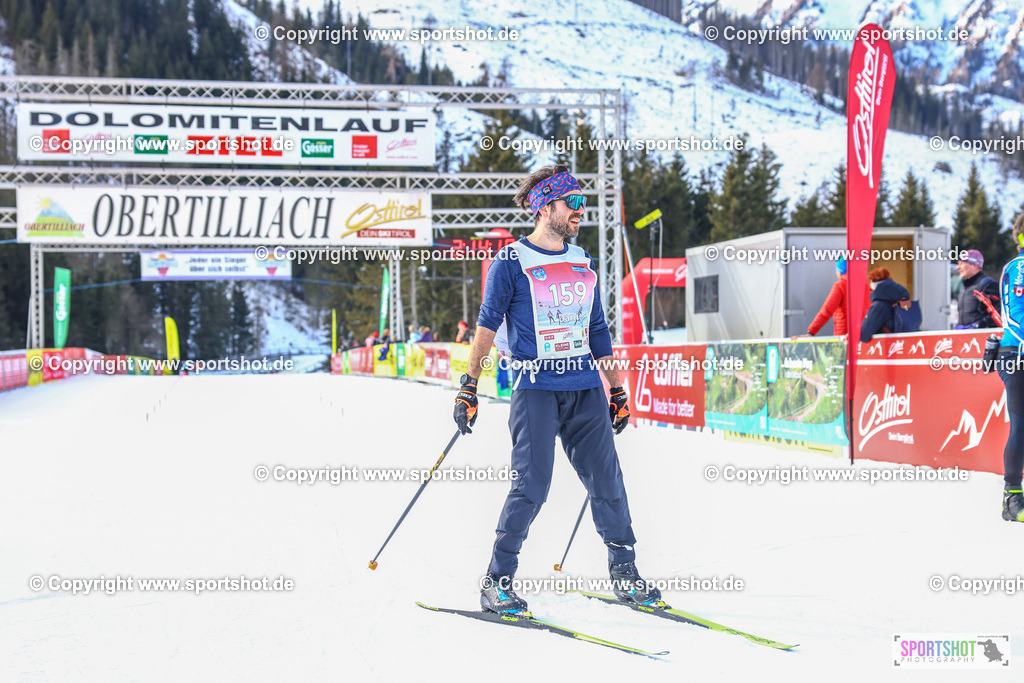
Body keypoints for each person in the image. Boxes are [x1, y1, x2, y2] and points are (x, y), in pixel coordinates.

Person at [452, 164, 658, 615]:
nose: (582, 211)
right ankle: (496, 581)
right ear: (546, 207)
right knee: (533, 485)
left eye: (583, 203)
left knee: (608, 482)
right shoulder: (511, 262)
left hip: (585, 386)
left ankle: (626, 574)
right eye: (574, 203)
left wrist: (616, 391)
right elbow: (486, 325)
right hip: (536, 387)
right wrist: (469, 387)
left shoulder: (583, 260)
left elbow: (597, 328)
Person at [995, 217, 1024, 523]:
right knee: (1021, 425)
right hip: (1016, 354)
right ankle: (1011, 498)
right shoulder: (1016, 268)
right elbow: (1012, 315)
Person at [798, 258, 871, 337]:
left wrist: (811, 332)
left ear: (839, 271)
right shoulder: (866, 286)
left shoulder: (840, 286)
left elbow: (827, 310)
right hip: (863, 337)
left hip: (844, 338)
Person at [859, 267, 911, 342]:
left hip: (889, 349)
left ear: (873, 284)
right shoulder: (903, 299)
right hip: (907, 345)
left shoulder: (880, 305)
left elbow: (864, 334)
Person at [956, 249, 1000, 329]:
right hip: (963, 336)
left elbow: (999, 311)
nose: (958, 267)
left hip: (980, 337)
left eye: (961, 263)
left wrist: (981, 325)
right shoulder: (964, 286)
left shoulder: (988, 284)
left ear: (974, 265)